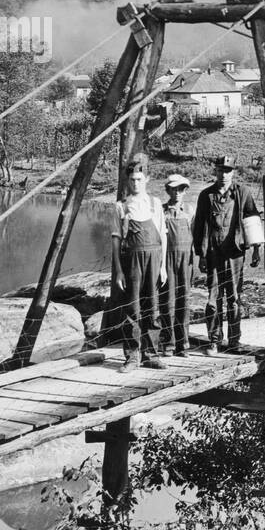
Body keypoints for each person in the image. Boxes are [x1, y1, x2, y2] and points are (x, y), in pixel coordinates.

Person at [192, 154, 261, 354]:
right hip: (213, 254)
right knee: (213, 300)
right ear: (216, 171)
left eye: (228, 170)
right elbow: (199, 227)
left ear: (233, 172)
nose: (224, 174)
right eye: (221, 170)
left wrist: (256, 249)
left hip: (235, 255)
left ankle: (234, 342)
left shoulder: (243, 193)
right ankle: (214, 340)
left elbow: (253, 219)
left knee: (234, 298)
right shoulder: (206, 195)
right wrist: (201, 255)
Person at [111, 158, 167, 372]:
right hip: (131, 261)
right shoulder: (121, 206)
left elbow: (163, 235)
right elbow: (116, 240)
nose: (135, 183)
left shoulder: (155, 204)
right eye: (132, 179)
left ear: (147, 180)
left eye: (139, 179)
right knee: (132, 309)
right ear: (127, 180)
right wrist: (118, 270)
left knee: (152, 307)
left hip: (153, 259)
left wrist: (162, 267)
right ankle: (132, 356)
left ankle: (151, 354)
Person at [158, 174, 194, 356]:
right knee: (167, 301)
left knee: (184, 301)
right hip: (167, 259)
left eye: (181, 189)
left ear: (185, 191)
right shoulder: (161, 211)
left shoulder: (189, 210)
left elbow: (195, 235)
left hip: (185, 260)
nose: (178, 193)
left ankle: (183, 343)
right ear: (168, 190)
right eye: (174, 189)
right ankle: (168, 343)